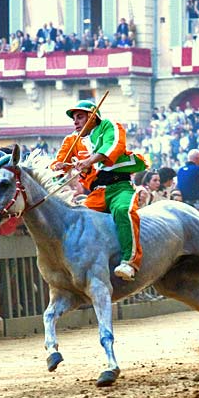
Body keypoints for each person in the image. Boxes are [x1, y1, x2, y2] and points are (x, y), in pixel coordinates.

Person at [51, 99, 147, 281]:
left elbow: (112, 147)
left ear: (93, 117)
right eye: (74, 118)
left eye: (80, 117)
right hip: (95, 194)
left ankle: (130, 262)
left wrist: (88, 162)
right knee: (77, 222)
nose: (76, 121)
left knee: (122, 210)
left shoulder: (109, 126)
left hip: (120, 187)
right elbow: (57, 164)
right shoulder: (71, 140)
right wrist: (59, 166)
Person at [176, 149, 199, 214]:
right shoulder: (198, 169)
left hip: (182, 201)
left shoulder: (180, 170)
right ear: (198, 159)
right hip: (194, 202)